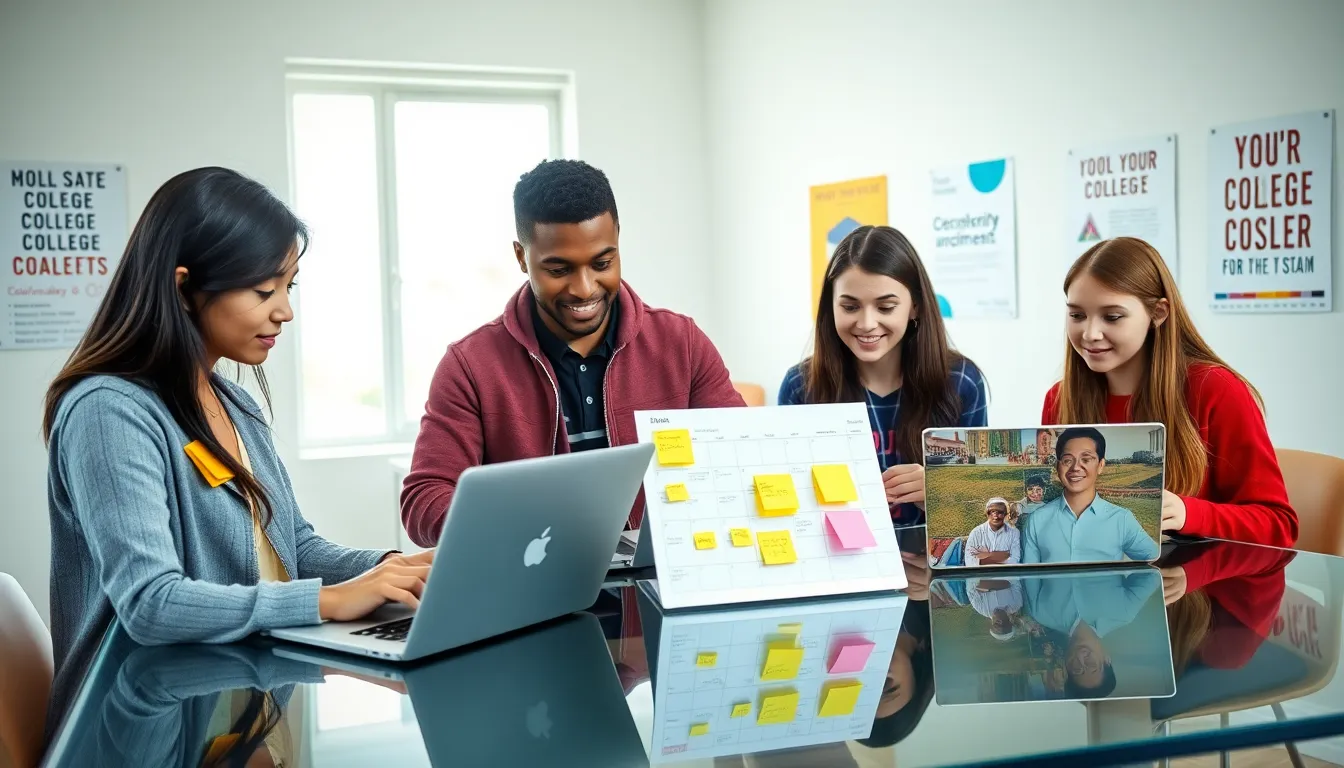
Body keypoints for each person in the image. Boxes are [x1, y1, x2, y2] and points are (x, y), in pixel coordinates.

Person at [42, 167, 435, 731]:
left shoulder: (233, 401)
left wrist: (389, 569)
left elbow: (293, 546)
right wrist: (327, 601)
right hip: (140, 726)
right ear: (183, 288)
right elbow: (152, 604)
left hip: (238, 699)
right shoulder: (108, 411)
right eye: (263, 290)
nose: (285, 311)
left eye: (288, 287)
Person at [400, 159, 744, 546]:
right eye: (559, 269)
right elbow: (424, 500)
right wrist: (531, 523)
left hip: (657, 599)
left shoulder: (682, 343)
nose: (584, 288)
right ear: (521, 257)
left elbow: (738, 457)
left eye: (602, 263)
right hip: (531, 599)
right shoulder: (469, 366)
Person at [1043, 236, 1297, 547]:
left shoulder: (1216, 390)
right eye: (1077, 315)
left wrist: (1190, 515)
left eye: (1112, 317)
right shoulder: (1059, 399)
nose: (1090, 334)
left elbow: (1279, 525)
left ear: (1159, 314)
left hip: (1197, 588)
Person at [778, 225, 988, 526]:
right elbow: (790, 505)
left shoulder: (961, 381)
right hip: (841, 564)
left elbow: (984, 509)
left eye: (886, 307)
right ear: (831, 307)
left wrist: (940, 494)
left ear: (914, 306)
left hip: (931, 567)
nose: (866, 323)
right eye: (850, 306)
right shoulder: (801, 387)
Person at [1021, 428, 1159, 564]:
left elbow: (1155, 564)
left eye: (1086, 460)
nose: (1076, 467)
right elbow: (1029, 579)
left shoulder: (1121, 519)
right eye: (1068, 460)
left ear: (1100, 465)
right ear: (1058, 466)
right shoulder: (1036, 521)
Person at [1022, 569, 1159, 700]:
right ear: (1106, 659)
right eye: (1091, 664)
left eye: (1077, 668)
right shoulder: (1124, 613)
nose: (1081, 656)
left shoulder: (1041, 614)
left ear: (1066, 667)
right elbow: (1153, 576)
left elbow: (1027, 566)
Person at [965, 498, 1021, 566]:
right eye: (992, 512)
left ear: (1005, 514)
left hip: (1004, 575)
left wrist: (984, 556)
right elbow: (969, 561)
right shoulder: (976, 532)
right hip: (981, 575)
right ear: (987, 514)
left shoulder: (1014, 533)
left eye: (1000, 512)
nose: (996, 516)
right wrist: (1000, 555)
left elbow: (1015, 560)